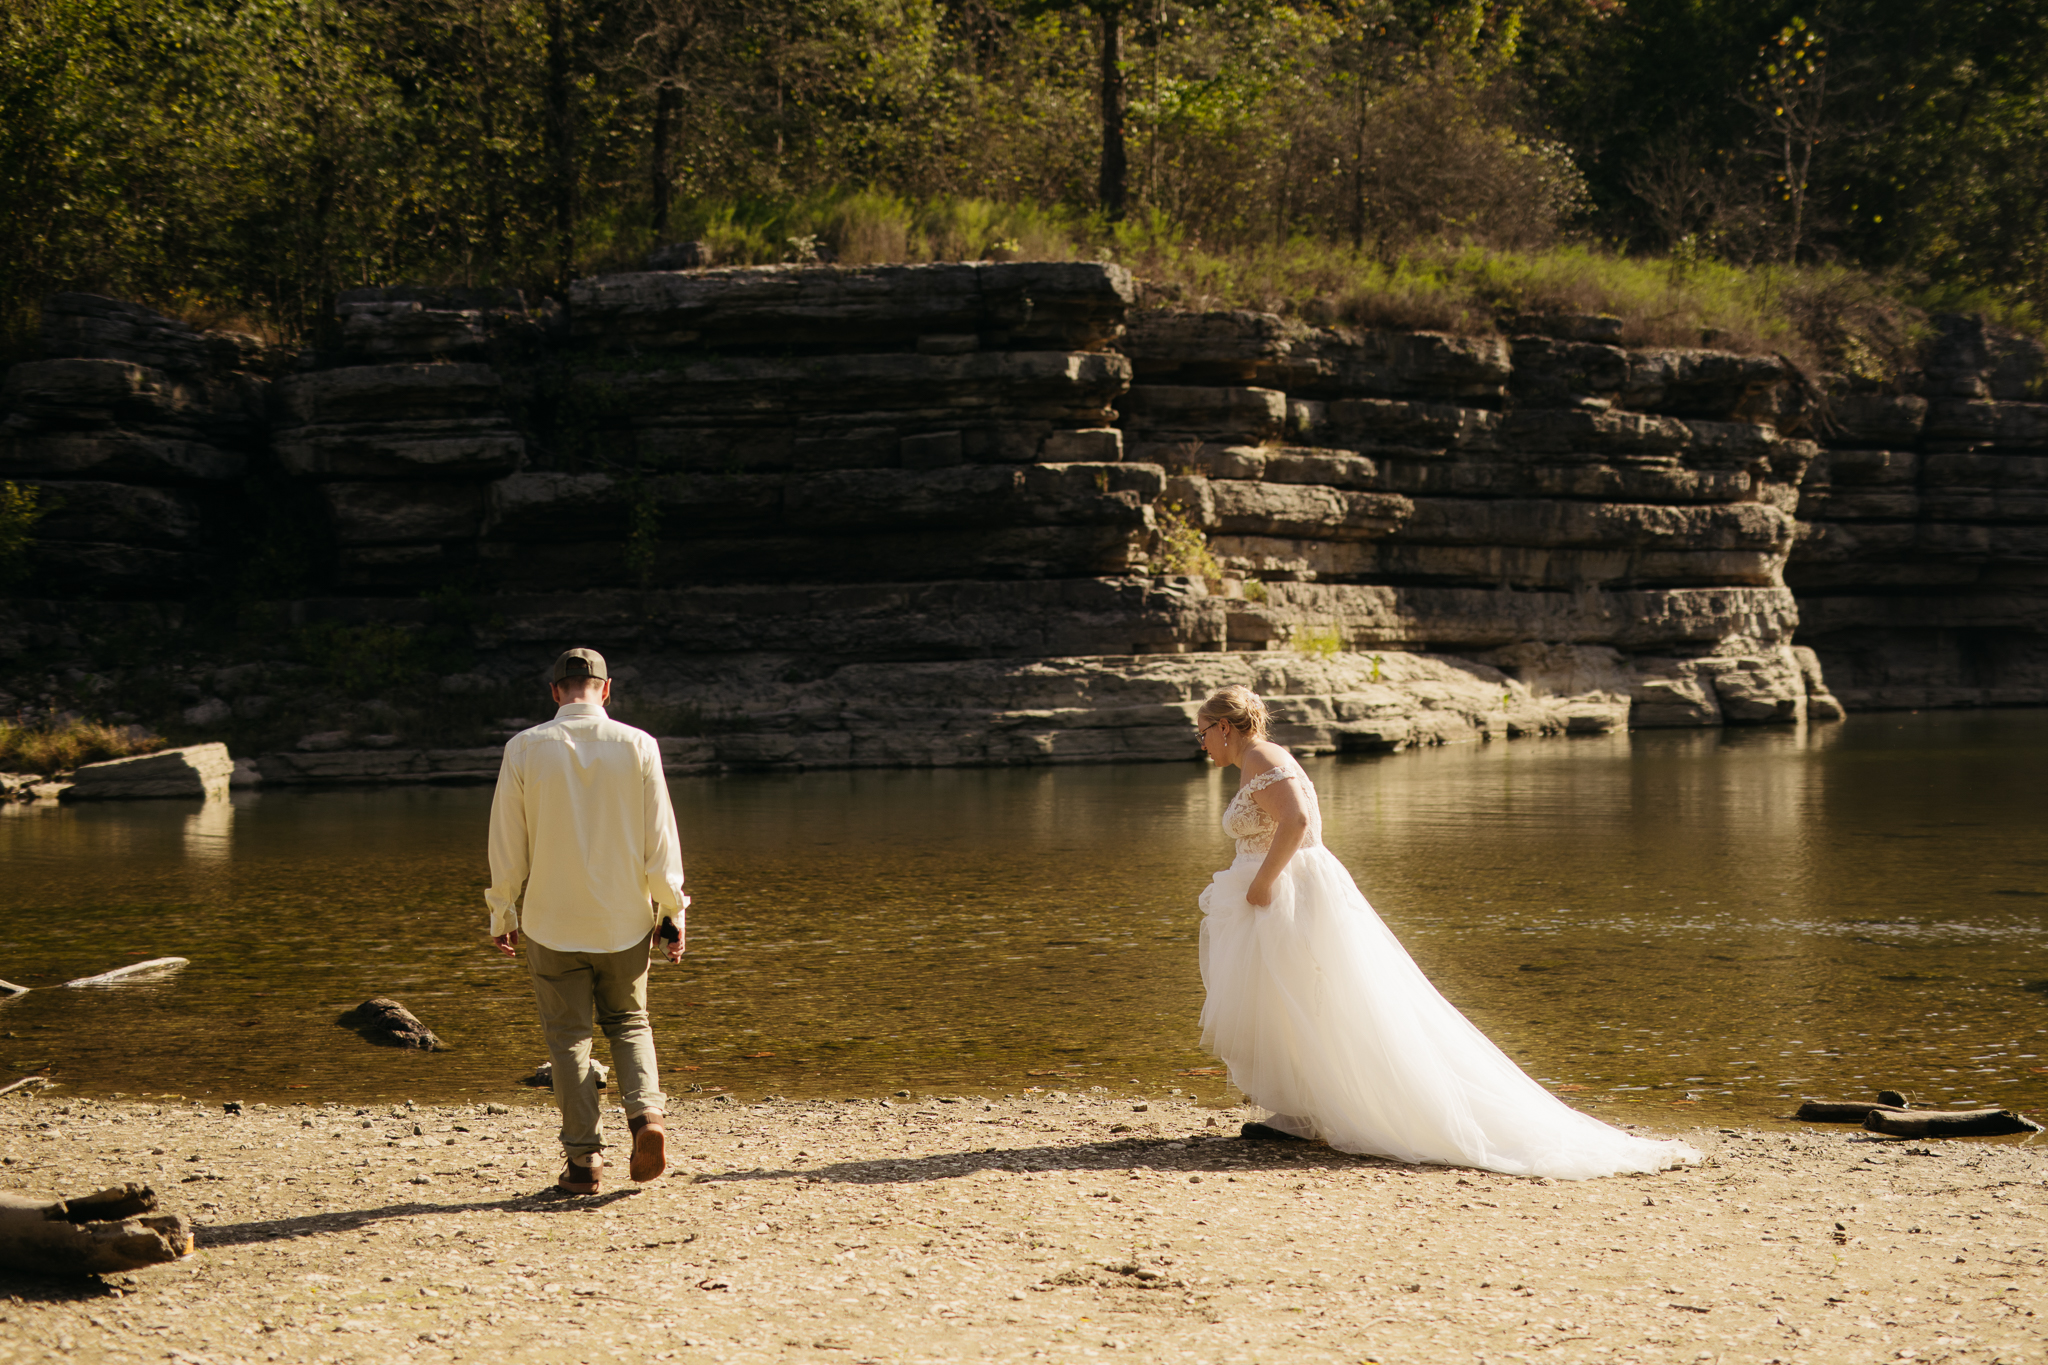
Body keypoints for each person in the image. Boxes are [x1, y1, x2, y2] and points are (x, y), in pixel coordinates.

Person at [1193, 684, 1699, 1180]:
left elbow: (1299, 820)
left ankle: (1329, 1110)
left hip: (1287, 891)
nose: (1202, 743)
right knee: (1294, 999)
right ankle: (1301, 1111)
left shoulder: (1261, 757)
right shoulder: (1259, 759)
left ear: (1223, 726)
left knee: (1316, 996)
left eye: (1202, 732)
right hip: (1286, 888)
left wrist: (1263, 884)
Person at [486, 647, 690, 1195]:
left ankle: (584, 1163)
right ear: (605, 689)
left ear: (555, 692)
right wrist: (671, 910)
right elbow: (660, 839)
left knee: (569, 1039)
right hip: (624, 918)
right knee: (629, 1022)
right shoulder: (639, 745)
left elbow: (508, 843)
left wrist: (502, 909)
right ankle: (647, 1118)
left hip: (550, 921)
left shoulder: (524, 747)